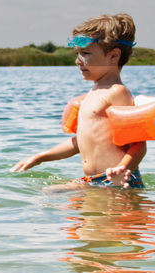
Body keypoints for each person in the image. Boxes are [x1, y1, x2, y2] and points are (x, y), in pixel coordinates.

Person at [12, 13, 147, 189]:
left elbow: (139, 145)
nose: (78, 61)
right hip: (96, 181)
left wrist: (122, 169)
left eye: (85, 53)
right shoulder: (92, 94)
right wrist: (40, 157)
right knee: (54, 197)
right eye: (77, 53)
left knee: (48, 193)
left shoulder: (117, 93)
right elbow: (79, 143)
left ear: (113, 56)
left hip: (117, 181)